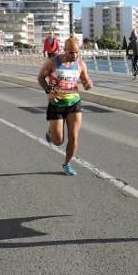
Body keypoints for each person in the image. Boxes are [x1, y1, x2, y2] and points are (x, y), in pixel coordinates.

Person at [37, 37, 93, 176]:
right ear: (65, 50)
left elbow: (86, 82)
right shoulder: (53, 62)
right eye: (71, 52)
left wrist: (88, 85)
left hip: (74, 103)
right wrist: (49, 91)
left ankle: (67, 163)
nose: (74, 55)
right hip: (56, 103)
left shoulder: (80, 64)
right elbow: (40, 78)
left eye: (76, 52)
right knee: (58, 141)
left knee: (73, 136)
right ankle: (51, 131)